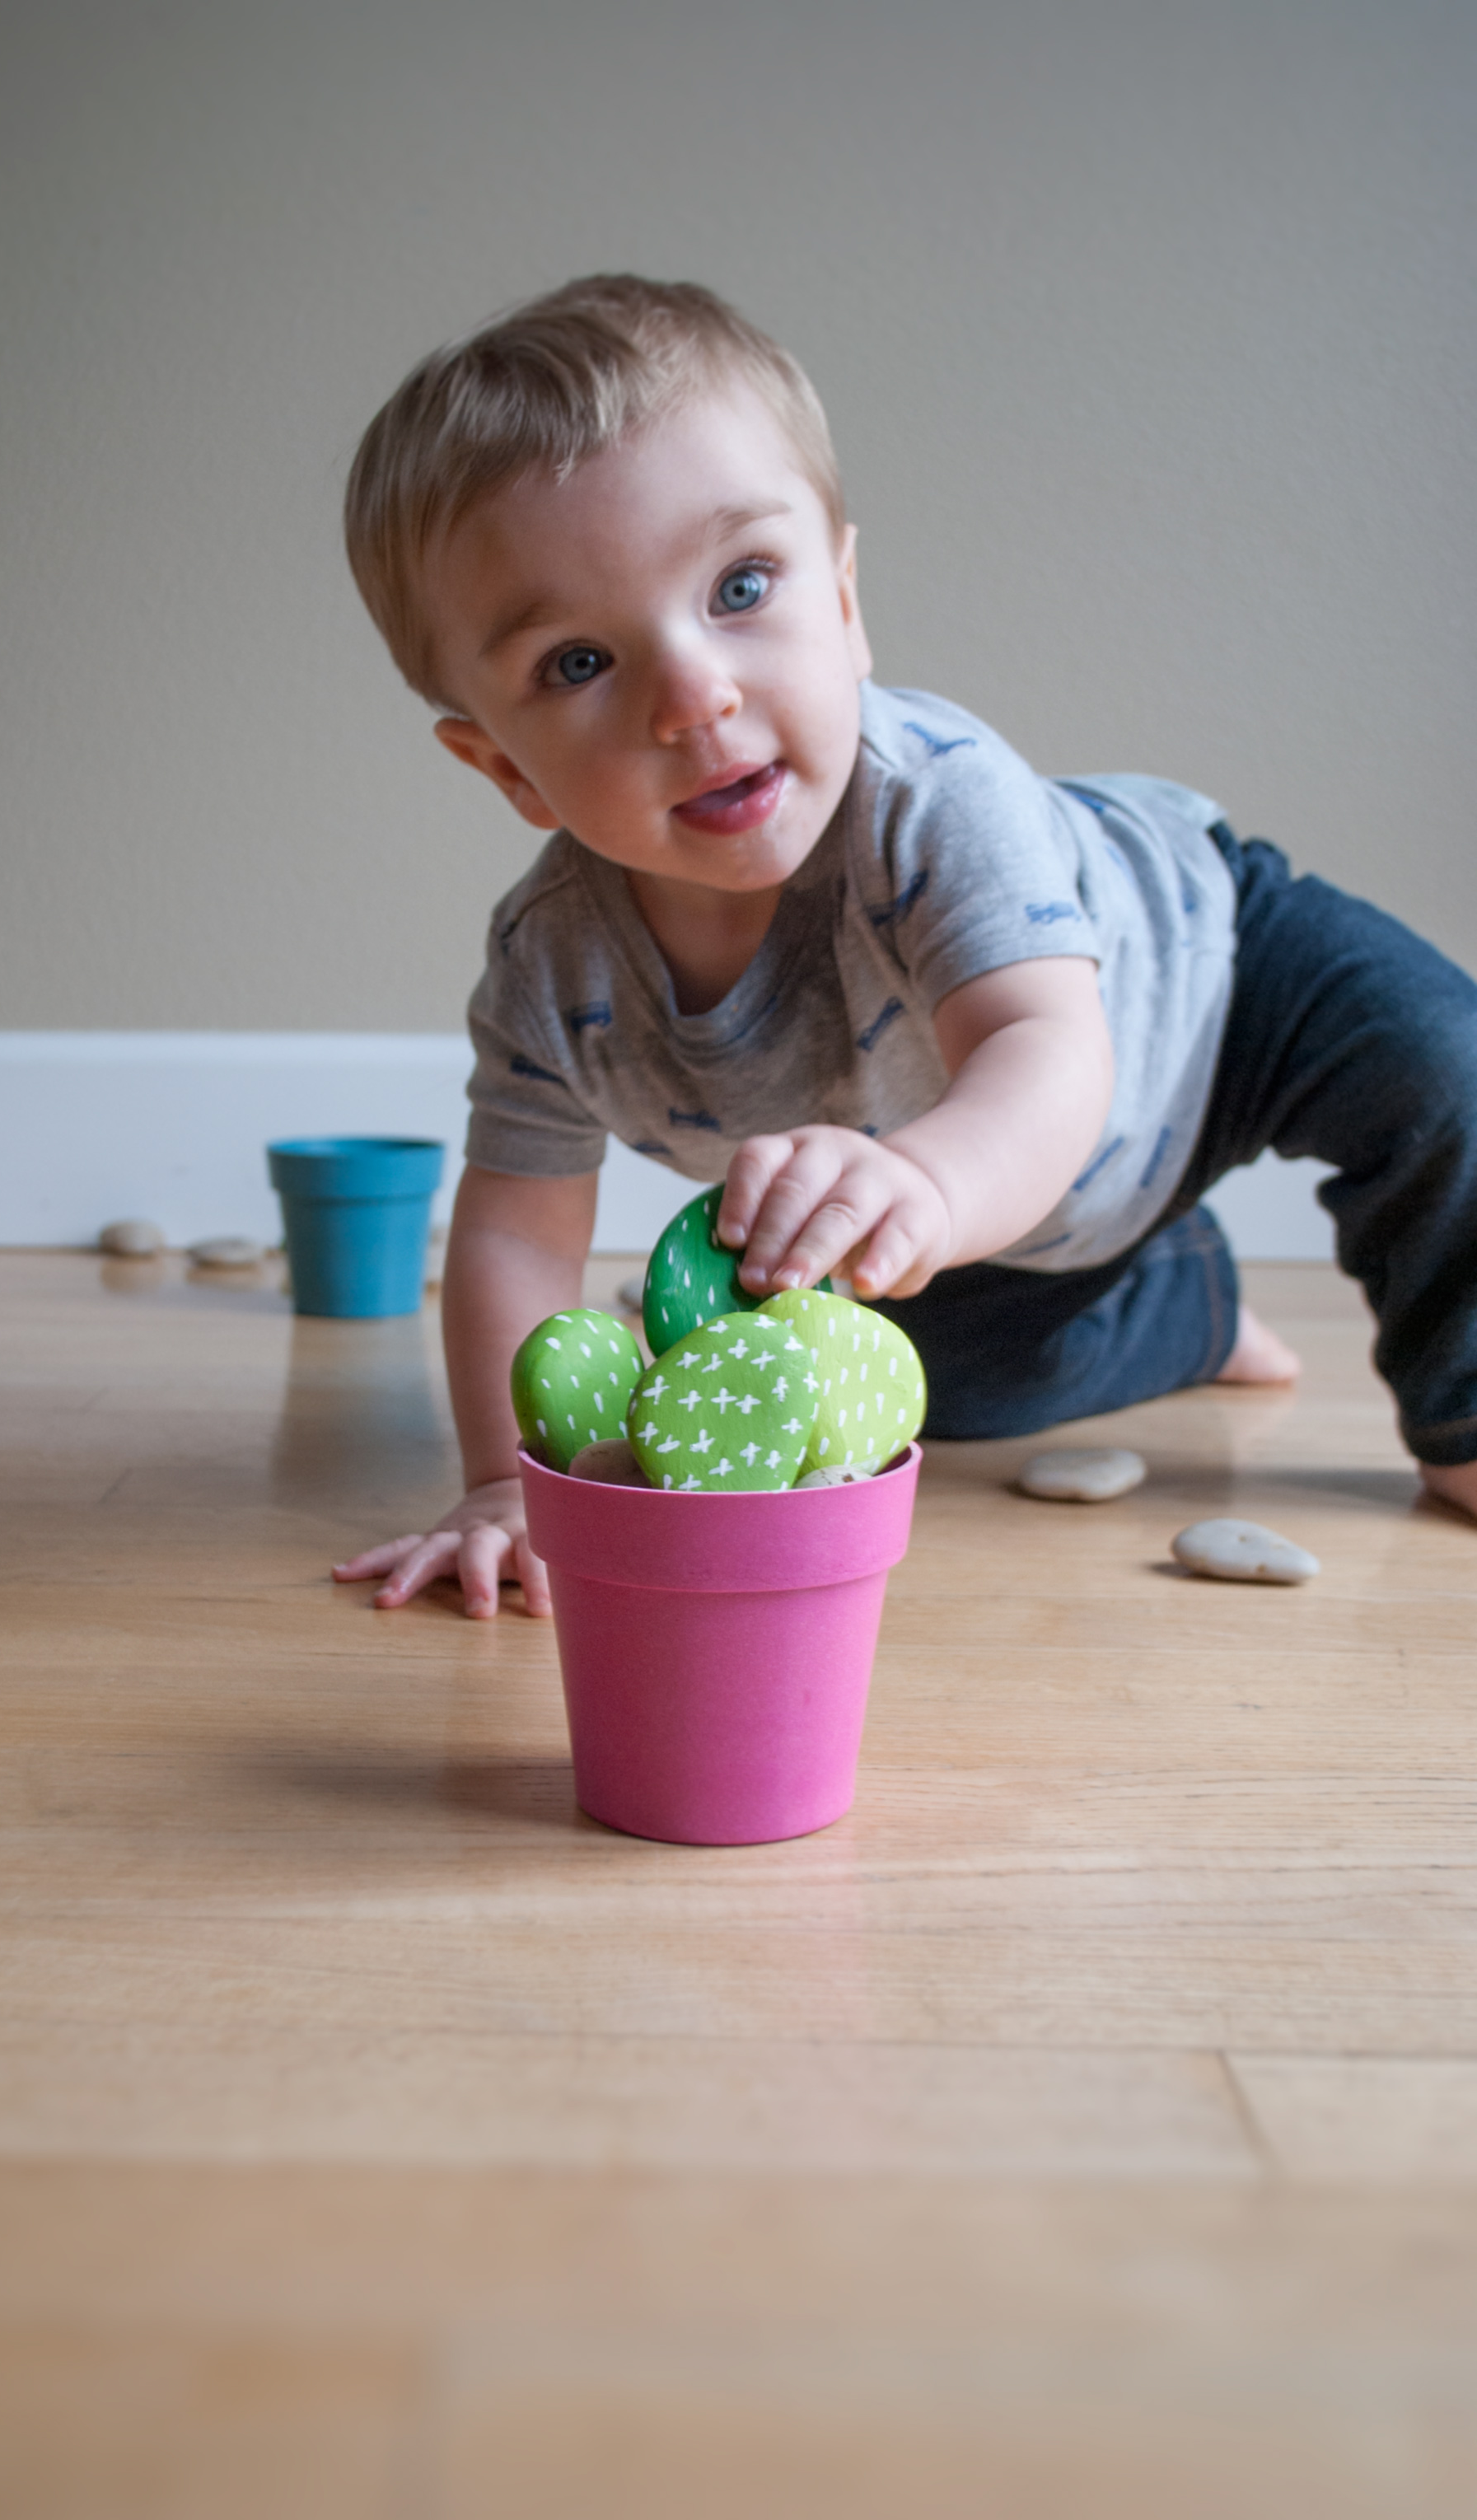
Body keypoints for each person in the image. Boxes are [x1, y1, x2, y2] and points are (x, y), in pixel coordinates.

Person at [334, 274, 1477, 1616]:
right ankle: (1187, 1305)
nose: (695, 694)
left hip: (1210, 981)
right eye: (579, 665)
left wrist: (924, 1188)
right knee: (949, 1389)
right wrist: (507, 1482)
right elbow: (519, 1233)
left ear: (848, 600)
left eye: (742, 586)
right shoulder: (552, 969)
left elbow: (1041, 1045)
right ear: (505, 769)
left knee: (1440, 1064)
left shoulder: (933, 802)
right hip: (993, 1188)